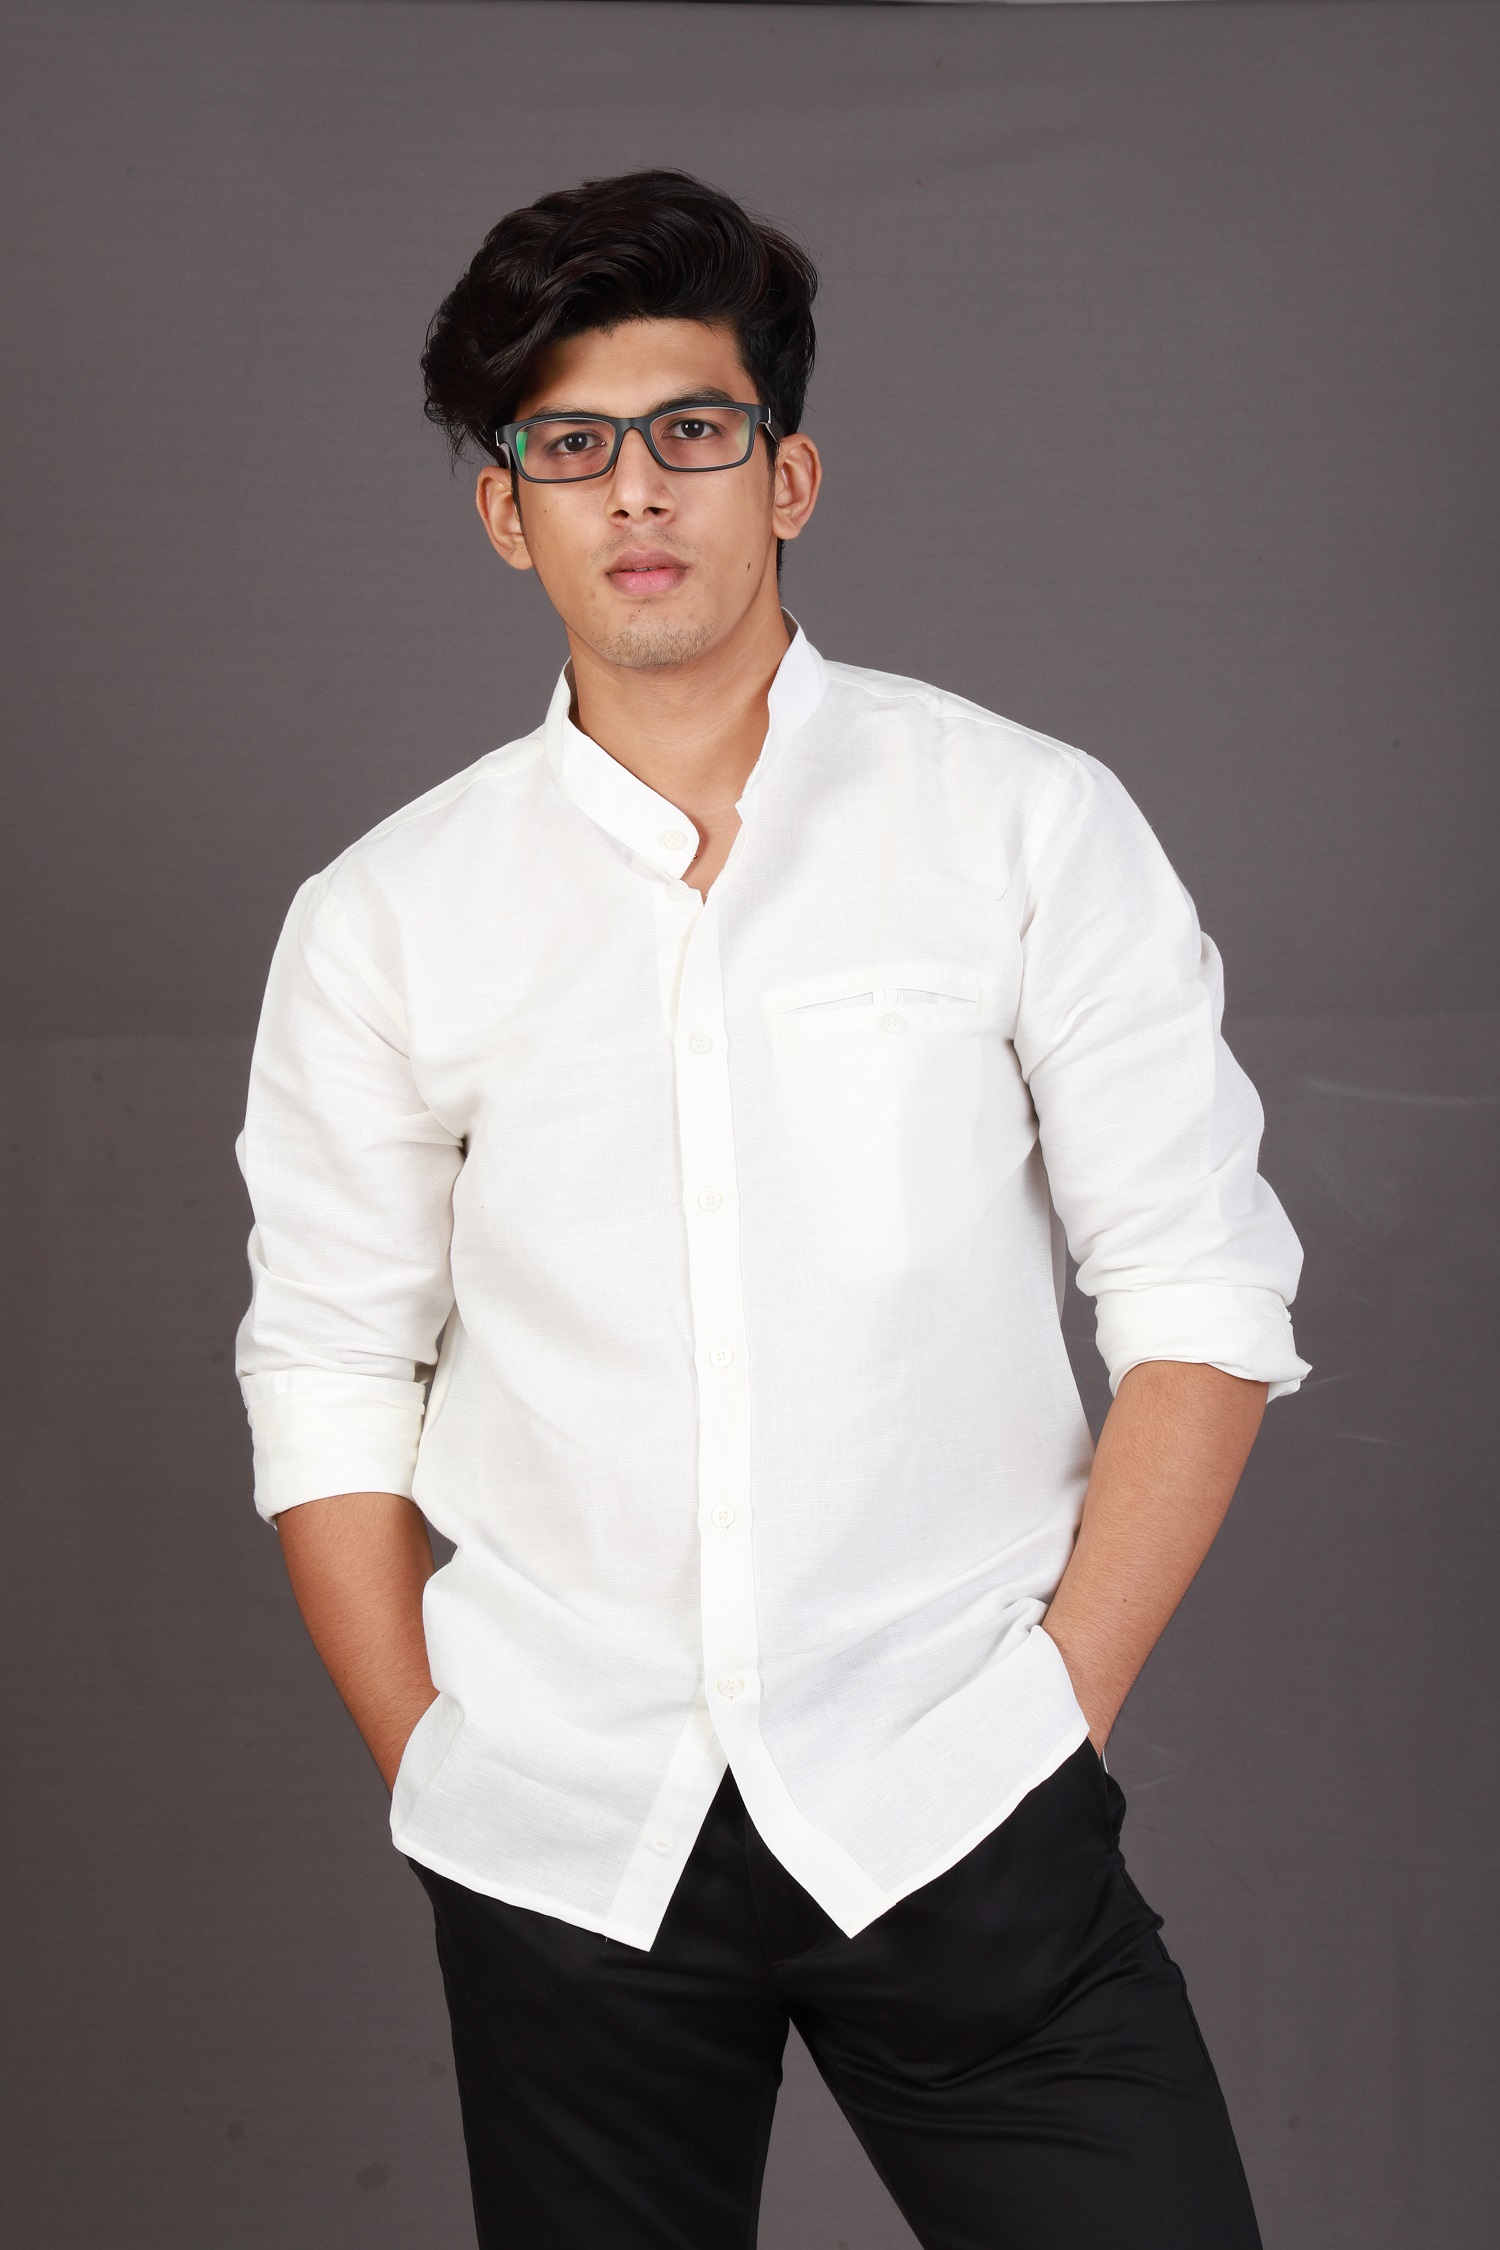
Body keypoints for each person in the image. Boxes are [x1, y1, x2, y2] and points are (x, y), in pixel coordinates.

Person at [236, 169, 1307, 2250]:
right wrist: (431, 1759)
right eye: (571, 445)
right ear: (507, 511)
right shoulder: (385, 917)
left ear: (787, 474)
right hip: (565, 1830)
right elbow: (331, 1369)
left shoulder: (1021, 821)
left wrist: (1054, 1708)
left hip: (957, 1789)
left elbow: (1200, 1292)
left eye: (692, 429)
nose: (636, 489)